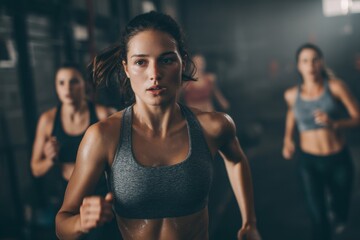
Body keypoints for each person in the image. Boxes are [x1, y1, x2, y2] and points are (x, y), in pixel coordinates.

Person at [55, 11, 261, 240]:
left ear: (182, 62)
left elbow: (237, 160)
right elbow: (62, 223)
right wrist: (80, 223)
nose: (154, 74)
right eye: (141, 62)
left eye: (166, 60)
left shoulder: (213, 126)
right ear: (126, 68)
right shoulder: (103, 136)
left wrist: (249, 223)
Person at [282, 43, 360, 240]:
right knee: (318, 218)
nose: (311, 65)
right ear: (298, 66)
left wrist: (334, 123)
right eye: (305, 61)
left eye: (315, 60)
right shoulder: (291, 94)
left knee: (341, 207)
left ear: (321, 62)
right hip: (309, 163)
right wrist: (287, 140)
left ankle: (338, 213)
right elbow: (292, 115)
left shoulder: (335, 87)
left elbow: (357, 117)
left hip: (338, 159)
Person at [30, 63, 117, 238]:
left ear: (85, 84)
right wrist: (50, 159)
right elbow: (35, 169)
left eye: (73, 82)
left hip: (101, 191)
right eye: (61, 83)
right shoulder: (48, 120)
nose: (67, 88)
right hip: (68, 195)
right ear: (56, 87)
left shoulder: (103, 114)